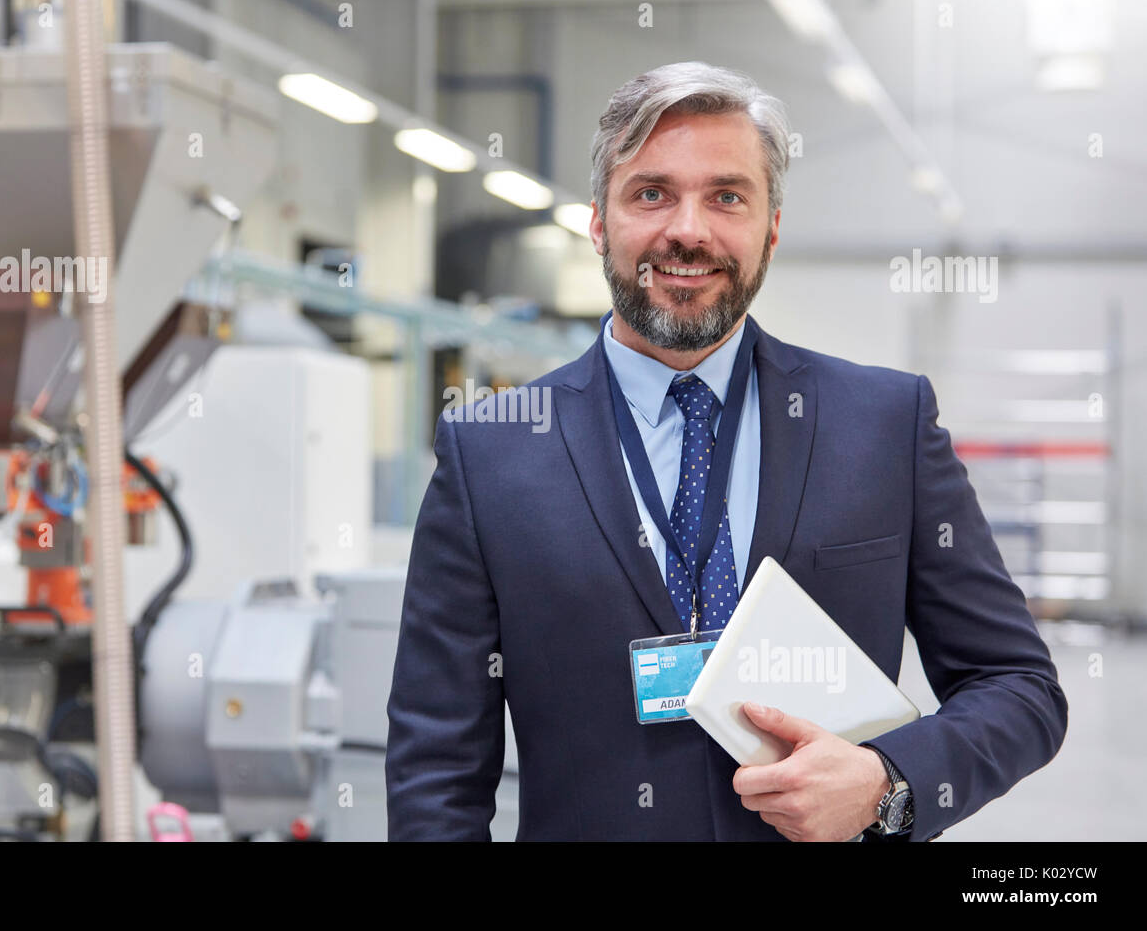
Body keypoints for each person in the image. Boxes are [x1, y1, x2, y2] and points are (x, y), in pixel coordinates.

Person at [385, 61, 1068, 841]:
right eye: (651, 193)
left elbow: (1018, 688)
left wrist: (889, 784)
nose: (689, 230)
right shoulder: (493, 452)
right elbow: (436, 765)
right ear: (599, 222)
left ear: (771, 225)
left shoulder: (884, 424)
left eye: (727, 196)